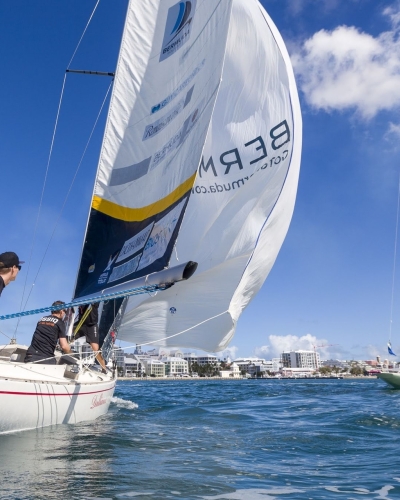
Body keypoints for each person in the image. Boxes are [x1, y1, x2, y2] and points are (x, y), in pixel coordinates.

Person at [74, 302, 108, 373]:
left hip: (91, 326)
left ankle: (103, 368)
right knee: (68, 337)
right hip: (81, 323)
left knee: (95, 348)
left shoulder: (95, 298)